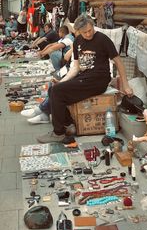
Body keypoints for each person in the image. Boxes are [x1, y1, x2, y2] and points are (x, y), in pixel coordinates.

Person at [37, 14, 133, 143]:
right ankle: (68, 124)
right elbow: (75, 67)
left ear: (93, 26)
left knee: (57, 91)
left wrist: (126, 85)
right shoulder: (77, 41)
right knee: (54, 89)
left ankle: (58, 132)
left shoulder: (102, 39)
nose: (88, 34)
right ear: (78, 32)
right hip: (83, 77)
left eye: (90, 30)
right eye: (84, 32)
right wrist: (62, 81)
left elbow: (118, 62)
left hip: (99, 80)